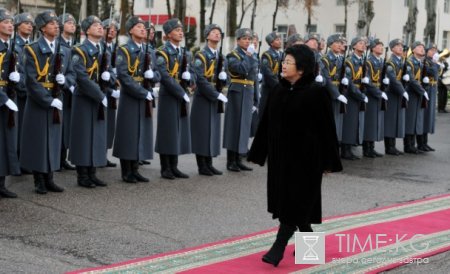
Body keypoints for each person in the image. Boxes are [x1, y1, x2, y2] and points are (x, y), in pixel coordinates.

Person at [248, 44, 342, 267]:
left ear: (301, 68)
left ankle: (277, 248)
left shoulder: (316, 93)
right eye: (284, 61)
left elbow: (327, 129)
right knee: (292, 203)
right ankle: (311, 248)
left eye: (288, 62)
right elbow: (266, 124)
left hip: (307, 159)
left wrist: (329, 161)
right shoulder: (278, 91)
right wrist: (259, 152)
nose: (283, 65)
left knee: (295, 201)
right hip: (281, 159)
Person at [21, 11, 75, 194]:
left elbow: (71, 74)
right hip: (39, 101)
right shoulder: (32, 49)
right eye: (51, 23)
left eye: (56, 23)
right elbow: (30, 80)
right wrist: (47, 100)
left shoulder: (65, 49)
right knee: (38, 141)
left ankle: (50, 177)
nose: (56, 26)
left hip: (57, 98)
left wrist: (65, 81)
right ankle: (38, 180)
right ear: (43, 28)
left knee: (53, 140)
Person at [113, 16, 160, 183]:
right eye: (139, 26)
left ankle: (135, 169)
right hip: (131, 96)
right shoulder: (124, 50)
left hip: (145, 95)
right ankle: (126, 171)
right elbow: (124, 76)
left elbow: (158, 73)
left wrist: (152, 76)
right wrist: (142, 92)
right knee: (129, 133)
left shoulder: (150, 51)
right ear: (131, 30)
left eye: (144, 27)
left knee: (140, 132)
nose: (143, 29)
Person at [70, 15, 112, 188]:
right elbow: (81, 77)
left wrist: (109, 78)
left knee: (97, 136)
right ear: (87, 30)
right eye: (96, 25)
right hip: (85, 98)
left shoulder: (104, 50)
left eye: (101, 25)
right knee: (84, 136)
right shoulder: (79, 50)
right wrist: (100, 95)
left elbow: (109, 71)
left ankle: (92, 172)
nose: (100, 28)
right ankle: (82, 175)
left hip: (98, 97)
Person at [154, 18, 194, 180]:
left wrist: (190, 80)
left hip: (181, 94)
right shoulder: (162, 52)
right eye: (177, 30)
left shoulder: (185, 53)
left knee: (178, 131)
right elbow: (164, 76)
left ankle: (174, 166)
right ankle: (165, 168)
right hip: (170, 95)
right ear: (169, 34)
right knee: (167, 131)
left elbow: (193, 72)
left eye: (181, 30)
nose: (181, 32)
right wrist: (181, 92)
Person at [190, 24, 228, 176]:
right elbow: (200, 79)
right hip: (204, 97)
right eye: (213, 32)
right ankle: (202, 165)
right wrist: (216, 94)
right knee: (202, 131)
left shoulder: (221, 56)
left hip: (214, 96)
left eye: (219, 33)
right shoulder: (201, 55)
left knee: (212, 131)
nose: (217, 35)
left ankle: (209, 163)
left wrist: (224, 80)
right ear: (207, 36)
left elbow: (226, 77)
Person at [223, 28, 257, 172]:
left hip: (248, 92)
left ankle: (239, 158)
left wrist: (256, 99)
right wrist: (249, 56)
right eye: (244, 38)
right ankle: (230, 161)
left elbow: (254, 77)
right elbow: (241, 69)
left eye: (249, 39)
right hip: (237, 92)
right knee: (234, 126)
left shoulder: (252, 56)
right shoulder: (233, 55)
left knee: (244, 127)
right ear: (238, 40)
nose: (247, 41)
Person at [0, 8, 20, 198]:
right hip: (2, 98)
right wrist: (3, 99)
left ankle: (2, 183)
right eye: (6, 21)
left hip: (8, 95)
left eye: (11, 22)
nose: (10, 25)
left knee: (5, 142)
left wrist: (17, 79)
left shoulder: (10, 46)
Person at [12, 13, 34, 175]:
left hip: (31, 93)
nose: (29, 26)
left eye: (31, 24)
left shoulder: (32, 46)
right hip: (19, 93)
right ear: (17, 26)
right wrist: (23, 89)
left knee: (27, 128)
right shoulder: (14, 45)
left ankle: (25, 159)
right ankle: (17, 161)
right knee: (17, 127)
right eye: (26, 23)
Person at [341, 36, 368, 159]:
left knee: (355, 121)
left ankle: (350, 147)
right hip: (351, 94)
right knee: (349, 122)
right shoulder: (349, 61)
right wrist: (360, 95)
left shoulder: (362, 60)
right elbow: (350, 82)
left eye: (364, 43)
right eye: (360, 43)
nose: (363, 45)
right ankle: (345, 150)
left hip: (359, 92)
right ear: (354, 46)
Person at [362, 38, 388, 157]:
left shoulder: (381, 61)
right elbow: (367, 81)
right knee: (370, 121)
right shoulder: (368, 61)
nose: (381, 48)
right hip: (371, 93)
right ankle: (366, 148)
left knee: (375, 121)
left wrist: (385, 84)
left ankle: (371, 147)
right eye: (379, 46)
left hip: (378, 92)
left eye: (382, 46)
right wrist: (378, 93)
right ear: (372, 48)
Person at [321, 33, 348, 143]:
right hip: (329, 94)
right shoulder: (325, 59)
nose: (339, 45)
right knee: (328, 122)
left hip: (339, 92)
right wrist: (337, 95)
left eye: (340, 43)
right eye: (336, 42)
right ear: (330, 45)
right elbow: (327, 79)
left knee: (337, 122)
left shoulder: (341, 59)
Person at [58, 13, 77, 171]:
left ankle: (62, 158)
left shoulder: (73, 44)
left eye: (74, 23)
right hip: (60, 91)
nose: (72, 25)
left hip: (70, 89)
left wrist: (71, 83)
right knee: (59, 123)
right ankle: (57, 158)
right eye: (69, 23)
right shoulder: (58, 43)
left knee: (66, 124)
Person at [403, 41, 428, 154]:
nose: (422, 49)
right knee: (410, 119)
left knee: (415, 119)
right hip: (411, 93)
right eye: (419, 47)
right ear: (413, 50)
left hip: (417, 93)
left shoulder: (420, 63)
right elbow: (412, 80)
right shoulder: (410, 62)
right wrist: (422, 91)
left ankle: (413, 144)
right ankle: (408, 145)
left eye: (423, 47)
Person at [384, 39, 408, 155]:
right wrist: (403, 91)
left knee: (396, 120)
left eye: (401, 46)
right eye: (397, 46)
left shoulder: (401, 61)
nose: (400, 47)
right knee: (391, 120)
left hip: (398, 92)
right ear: (392, 48)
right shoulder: (391, 62)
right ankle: (389, 147)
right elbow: (393, 79)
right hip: (392, 93)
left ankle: (392, 146)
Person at [102, 18, 120, 168]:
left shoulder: (115, 48)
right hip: (102, 89)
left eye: (115, 29)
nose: (112, 30)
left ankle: (104, 154)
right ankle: (99, 154)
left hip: (112, 89)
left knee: (109, 124)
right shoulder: (101, 47)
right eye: (109, 28)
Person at [418, 43, 439, 151]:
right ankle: (420, 142)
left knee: (429, 116)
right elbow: (433, 72)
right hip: (427, 89)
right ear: (427, 51)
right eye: (432, 50)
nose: (434, 52)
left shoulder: (431, 61)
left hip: (433, 88)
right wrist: (436, 63)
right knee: (425, 116)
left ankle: (425, 142)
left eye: (435, 50)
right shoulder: (425, 61)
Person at [258, 32, 282, 121]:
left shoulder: (282, 54)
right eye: (277, 40)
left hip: (279, 87)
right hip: (269, 89)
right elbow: (268, 73)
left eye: (280, 39)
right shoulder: (266, 55)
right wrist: (279, 85)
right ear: (271, 43)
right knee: (266, 114)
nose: (280, 41)